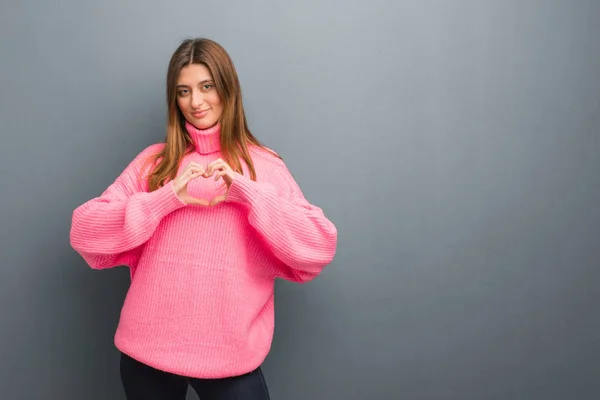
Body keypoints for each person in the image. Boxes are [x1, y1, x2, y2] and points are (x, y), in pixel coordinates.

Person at [69, 38, 338, 400]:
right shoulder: (155, 163)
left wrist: (248, 194)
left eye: (206, 86)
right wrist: (164, 200)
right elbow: (84, 230)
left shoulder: (264, 167)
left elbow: (318, 245)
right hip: (146, 354)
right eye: (184, 91)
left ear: (228, 86)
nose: (196, 102)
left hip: (230, 359)